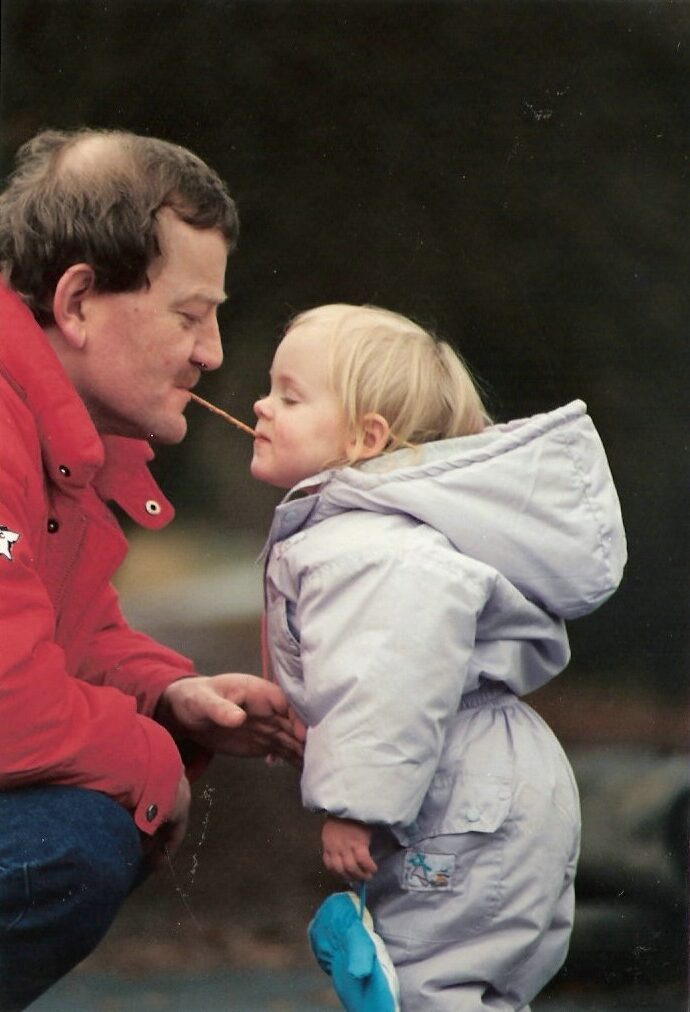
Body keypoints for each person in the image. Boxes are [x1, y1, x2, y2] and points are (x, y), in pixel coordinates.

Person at [250, 303, 627, 1011]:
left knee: (432, 982)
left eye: (290, 396)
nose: (262, 406)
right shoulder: (377, 536)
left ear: (367, 436)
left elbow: (391, 677)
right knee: (465, 983)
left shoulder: (367, 548)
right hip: (489, 788)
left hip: (464, 799)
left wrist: (352, 804)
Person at [0, 127, 301, 1012]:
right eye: (189, 313)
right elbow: (9, 710)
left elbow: (68, 633)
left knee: (90, 819)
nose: (210, 351)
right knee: (76, 839)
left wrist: (168, 696)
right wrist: (149, 759)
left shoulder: (57, 441)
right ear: (81, 300)